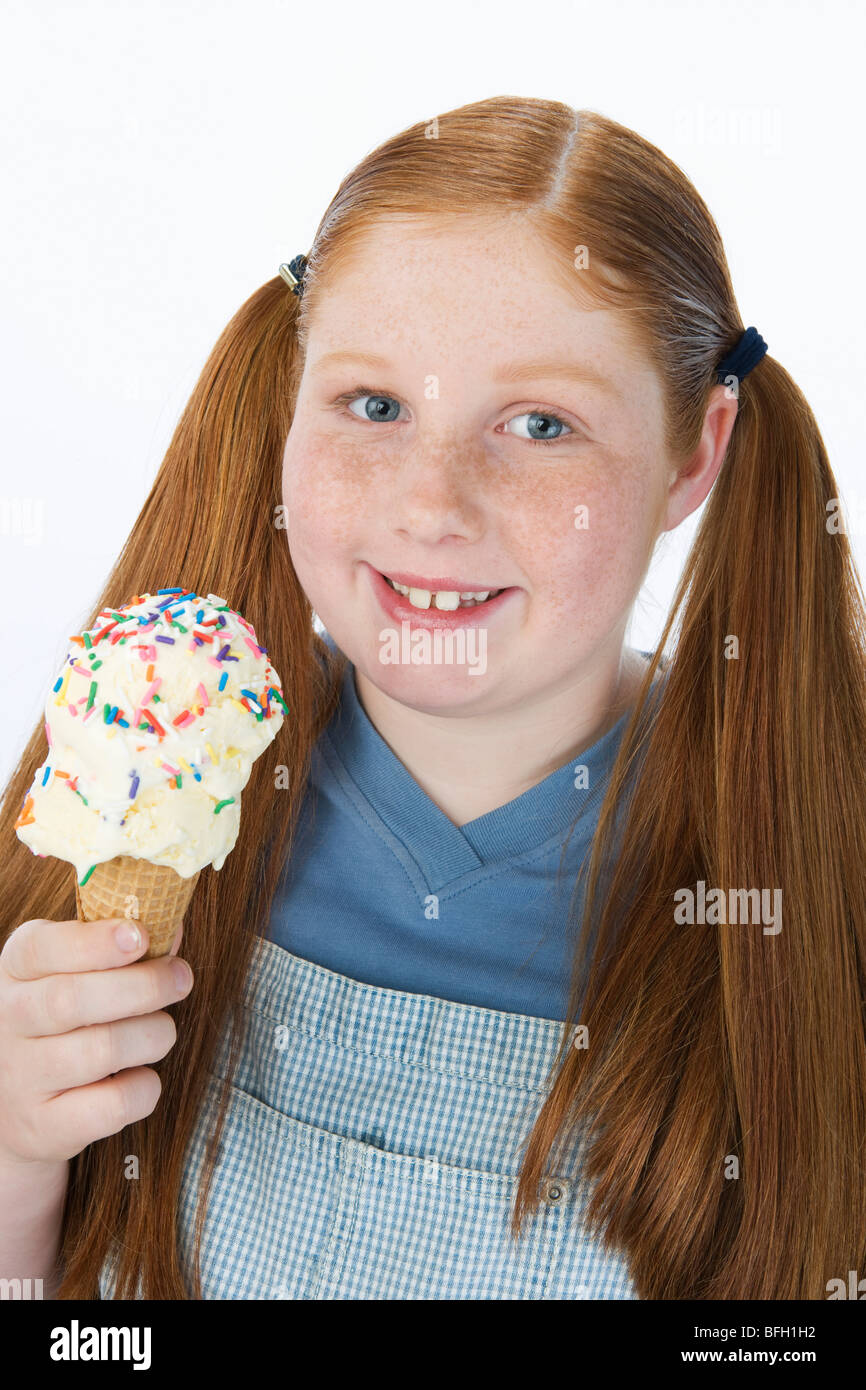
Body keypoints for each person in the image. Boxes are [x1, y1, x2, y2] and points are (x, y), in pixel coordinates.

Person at [1, 96, 863, 1301]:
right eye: (375, 405)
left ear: (694, 454)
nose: (430, 505)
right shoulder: (144, 782)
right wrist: (15, 1163)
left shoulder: (807, 885)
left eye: (539, 423)